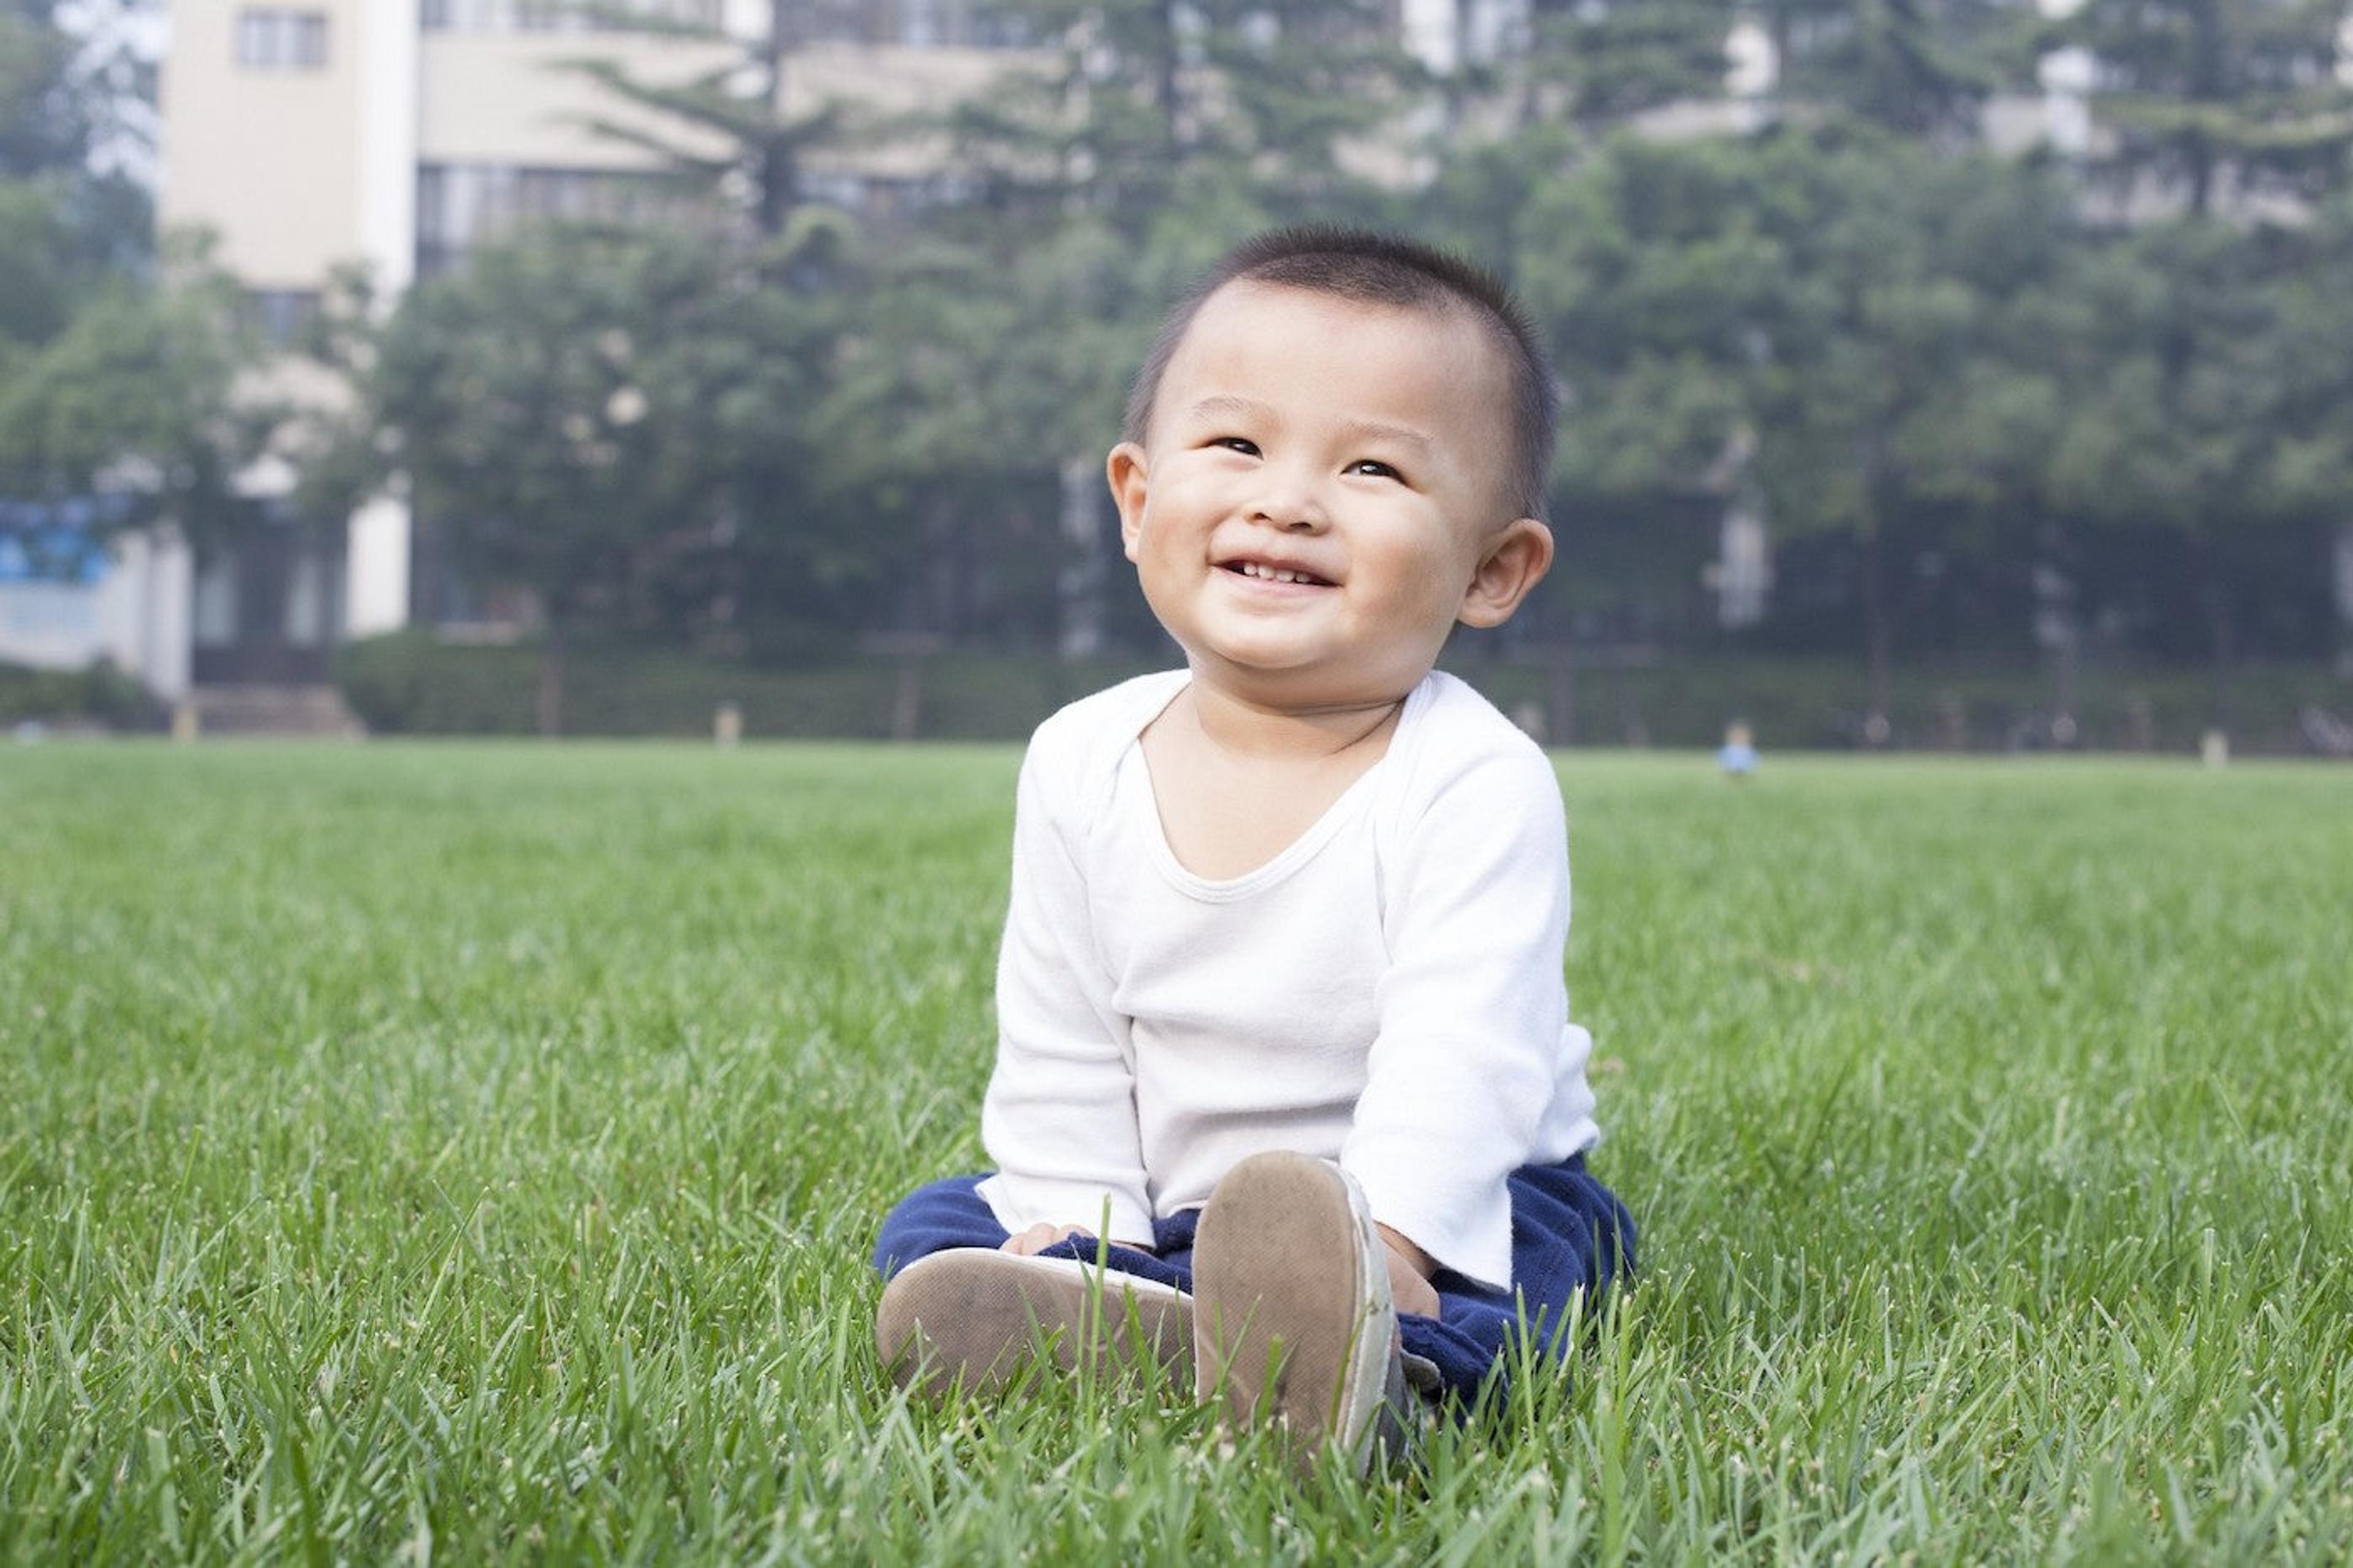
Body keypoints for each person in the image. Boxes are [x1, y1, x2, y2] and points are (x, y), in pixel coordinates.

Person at [870, 226, 1634, 1472]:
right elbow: (1063, 1037)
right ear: (1137, 498)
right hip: (1176, 1192)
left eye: (1374, 466)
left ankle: (1382, 1365)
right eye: (1235, 444)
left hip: (1426, 1199)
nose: (1287, 498)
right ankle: (1127, 1315)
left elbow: (1467, 1054)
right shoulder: (1082, 756)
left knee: (1537, 1257)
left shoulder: (1473, 778)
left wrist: (1388, 1237)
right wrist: (1077, 1224)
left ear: (1495, 568)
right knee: (946, 1222)